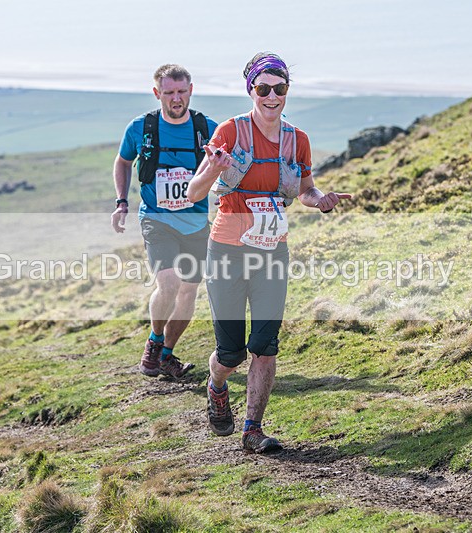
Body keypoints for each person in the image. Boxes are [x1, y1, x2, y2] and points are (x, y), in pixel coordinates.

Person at [187, 52, 352, 453]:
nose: (272, 96)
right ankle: (217, 384)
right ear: (251, 90)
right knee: (230, 353)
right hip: (227, 250)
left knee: (264, 345)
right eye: (264, 89)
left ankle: (252, 429)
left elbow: (306, 189)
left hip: (272, 251)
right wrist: (213, 167)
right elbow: (195, 192)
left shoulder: (298, 140)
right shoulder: (231, 131)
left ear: (287, 91)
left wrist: (320, 200)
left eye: (280, 89)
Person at [111, 64, 218, 379]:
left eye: (182, 92)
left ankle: (167, 355)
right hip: (157, 219)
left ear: (191, 90)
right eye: (169, 93)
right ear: (157, 93)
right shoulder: (141, 128)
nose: (176, 99)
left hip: (196, 222)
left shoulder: (207, 128)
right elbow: (123, 161)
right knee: (169, 284)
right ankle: (155, 342)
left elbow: (228, 168)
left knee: (188, 292)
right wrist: (121, 202)